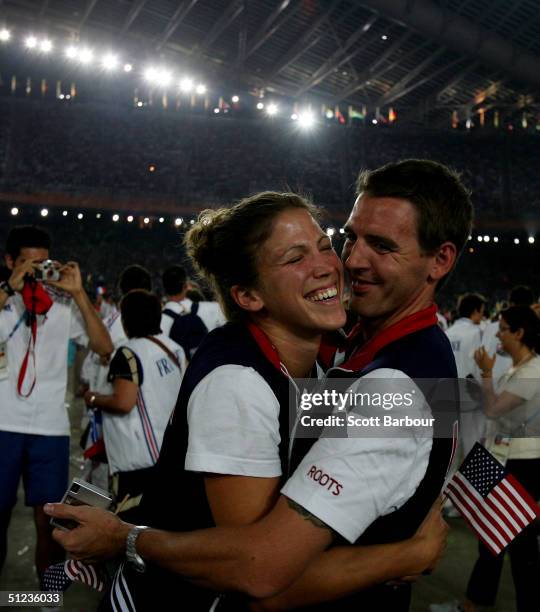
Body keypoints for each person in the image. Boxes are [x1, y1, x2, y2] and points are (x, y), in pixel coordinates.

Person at [46, 189, 449, 611]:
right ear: (249, 297)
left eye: (324, 246)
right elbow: (262, 578)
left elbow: (410, 422)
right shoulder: (237, 382)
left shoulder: (313, 363)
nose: (327, 267)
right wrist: (406, 555)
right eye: (295, 258)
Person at [0, 225, 113, 584]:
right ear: (9, 262)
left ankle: (45, 602)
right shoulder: (5, 300)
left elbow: (104, 347)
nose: (35, 271)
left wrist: (79, 294)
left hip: (50, 427)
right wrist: (8, 289)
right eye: (26, 263)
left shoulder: (63, 305)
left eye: (41, 263)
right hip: (3, 423)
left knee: (49, 523)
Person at [83, 290, 186, 522]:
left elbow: (123, 402)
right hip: (171, 454)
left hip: (139, 460)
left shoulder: (128, 353)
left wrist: (92, 398)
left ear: (126, 320)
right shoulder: (173, 348)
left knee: (133, 535)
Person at [462, 306, 540, 612]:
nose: (498, 333)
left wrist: (484, 374)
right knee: (492, 539)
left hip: (520, 464)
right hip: (502, 458)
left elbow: (493, 409)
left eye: (504, 328)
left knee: (517, 547)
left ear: (519, 333)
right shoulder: (521, 368)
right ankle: (474, 603)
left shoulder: (532, 372)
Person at [446, 293, 486, 457]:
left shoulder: (446, 332)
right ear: (475, 311)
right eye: (482, 311)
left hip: (448, 396)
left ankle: (449, 482)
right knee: (473, 446)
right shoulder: (478, 332)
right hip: (472, 395)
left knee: (452, 450)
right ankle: (473, 483)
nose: (483, 315)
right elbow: (481, 365)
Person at [160, 264, 225, 357]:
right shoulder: (215, 309)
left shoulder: (158, 323)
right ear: (186, 285)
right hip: (213, 367)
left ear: (164, 289)